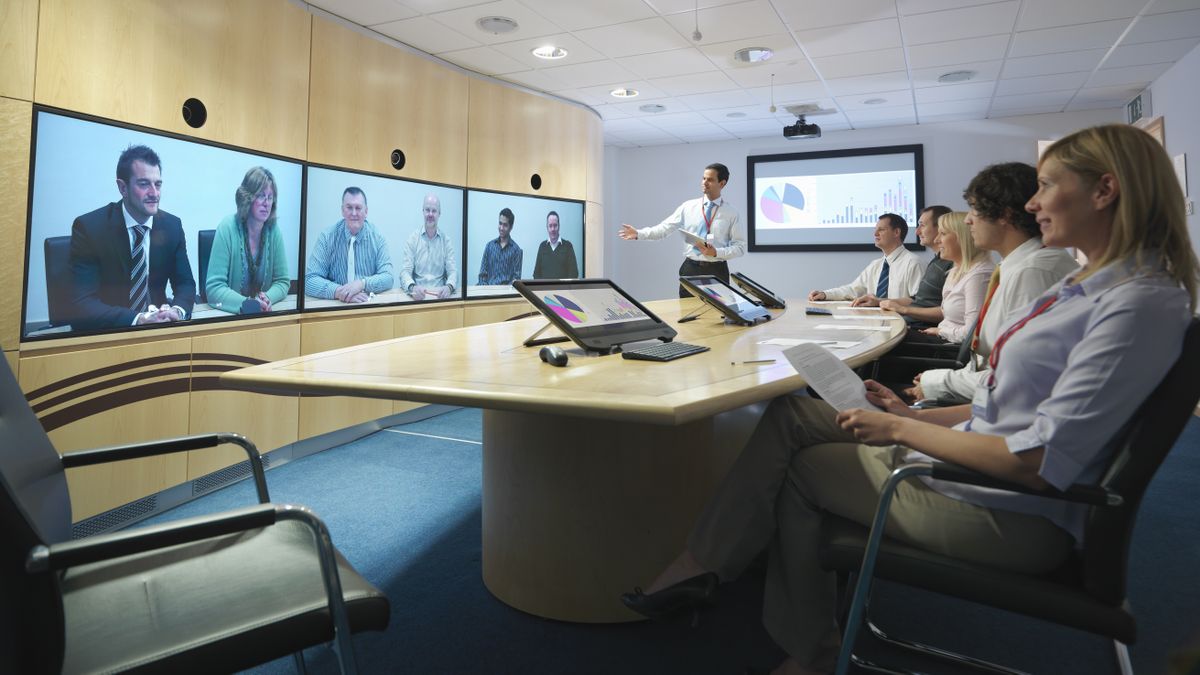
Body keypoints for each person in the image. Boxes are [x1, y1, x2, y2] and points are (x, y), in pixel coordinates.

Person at [621, 123, 1197, 675]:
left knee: (801, 470)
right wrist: (905, 411)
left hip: (1005, 509)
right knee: (795, 409)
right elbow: (1007, 399)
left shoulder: (1137, 302)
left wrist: (901, 431)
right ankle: (708, 570)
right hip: (968, 456)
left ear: (1105, 190)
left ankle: (801, 643)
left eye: (1046, 185)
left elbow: (1038, 461)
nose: (1032, 202)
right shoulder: (1091, 282)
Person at [910, 163, 1078, 403]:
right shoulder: (1015, 267)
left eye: (974, 210)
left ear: (1005, 216)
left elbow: (1018, 380)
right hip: (979, 390)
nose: (967, 220)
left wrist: (937, 382)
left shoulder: (1033, 272)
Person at [68, 144, 196, 330]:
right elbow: (82, 303)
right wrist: (139, 319)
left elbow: (185, 284)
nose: (154, 193)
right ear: (123, 187)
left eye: (158, 184)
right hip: (108, 334)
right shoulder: (90, 228)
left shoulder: (172, 226)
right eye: (144, 184)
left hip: (158, 330)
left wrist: (177, 311)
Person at [618, 162, 745, 298]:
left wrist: (716, 252)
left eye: (710, 180)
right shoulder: (688, 207)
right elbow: (664, 229)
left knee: (719, 313)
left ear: (722, 183)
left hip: (717, 270)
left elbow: (740, 247)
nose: (705, 183)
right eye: (703, 178)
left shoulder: (731, 213)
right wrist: (639, 233)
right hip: (691, 269)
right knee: (687, 312)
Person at [898, 211, 994, 345]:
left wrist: (940, 331)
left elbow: (972, 334)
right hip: (942, 338)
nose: (937, 240)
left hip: (949, 348)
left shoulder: (979, 276)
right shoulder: (954, 270)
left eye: (942, 234)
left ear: (962, 238)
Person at [205, 166, 291, 314]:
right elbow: (214, 288)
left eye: (270, 197)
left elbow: (283, 281)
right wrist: (249, 304)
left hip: (264, 316)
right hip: (229, 318)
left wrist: (267, 298)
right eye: (261, 196)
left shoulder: (274, 231)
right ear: (247, 198)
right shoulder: (227, 228)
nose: (266, 203)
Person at [808, 214, 923, 306]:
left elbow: (920, 302)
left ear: (896, 232)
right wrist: (825, 294)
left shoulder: (913, 263)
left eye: (881, 230)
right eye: (875, 230)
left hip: (903, 325)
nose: (875, 234)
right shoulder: (876, 265)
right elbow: (853, 290)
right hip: (875, 322)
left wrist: (881, 302)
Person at [304, 187, 394, 303]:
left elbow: (388, 277)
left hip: (367, 304)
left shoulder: (378, 238)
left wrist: (361, 284)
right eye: (349, 207)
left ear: (366, 211)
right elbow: (310, 280)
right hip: (335, 305)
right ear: (342, 210)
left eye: (358, 208)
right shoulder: (327, 237)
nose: (354, 213)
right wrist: (341, 292)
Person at [875, 205, 955, 327]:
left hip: (920, 330)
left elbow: (951, 312)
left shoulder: (952, 264)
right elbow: (916, 300)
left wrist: (904, 310)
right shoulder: (936, 262)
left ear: (941, 228)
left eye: (922, 225)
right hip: (911, 324)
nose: (917, 231)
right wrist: (879, 301)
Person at [399, 193, 457, 301]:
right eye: (427, 210)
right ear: (423, 211)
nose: (430, 214)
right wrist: (413, 287)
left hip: (440, 297)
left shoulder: (446, 241)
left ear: (439, 213)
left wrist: (449, 287)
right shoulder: (413, 239)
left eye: (434, 211)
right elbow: (404, 272)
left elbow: (453, 271)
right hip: (418, 297)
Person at [477, 207, 523, 285]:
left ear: (511, 227)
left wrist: (504, 293)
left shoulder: (516, 251)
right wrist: (485, 289)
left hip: (505, 294)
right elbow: (482, 274)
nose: (501, 228)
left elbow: (515, 280)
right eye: (500, 223)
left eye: (505, 225)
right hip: (487, 290)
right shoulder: (489, 246)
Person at [532, 210, 579, 279]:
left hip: (563, 289)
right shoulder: (542, 246)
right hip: (545, 289)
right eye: (550, 226)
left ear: (559, 226)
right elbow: (536, 274)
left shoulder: (568, 246)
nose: (553, 229)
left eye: (555, 225)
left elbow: (574, 273)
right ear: (547, 228)